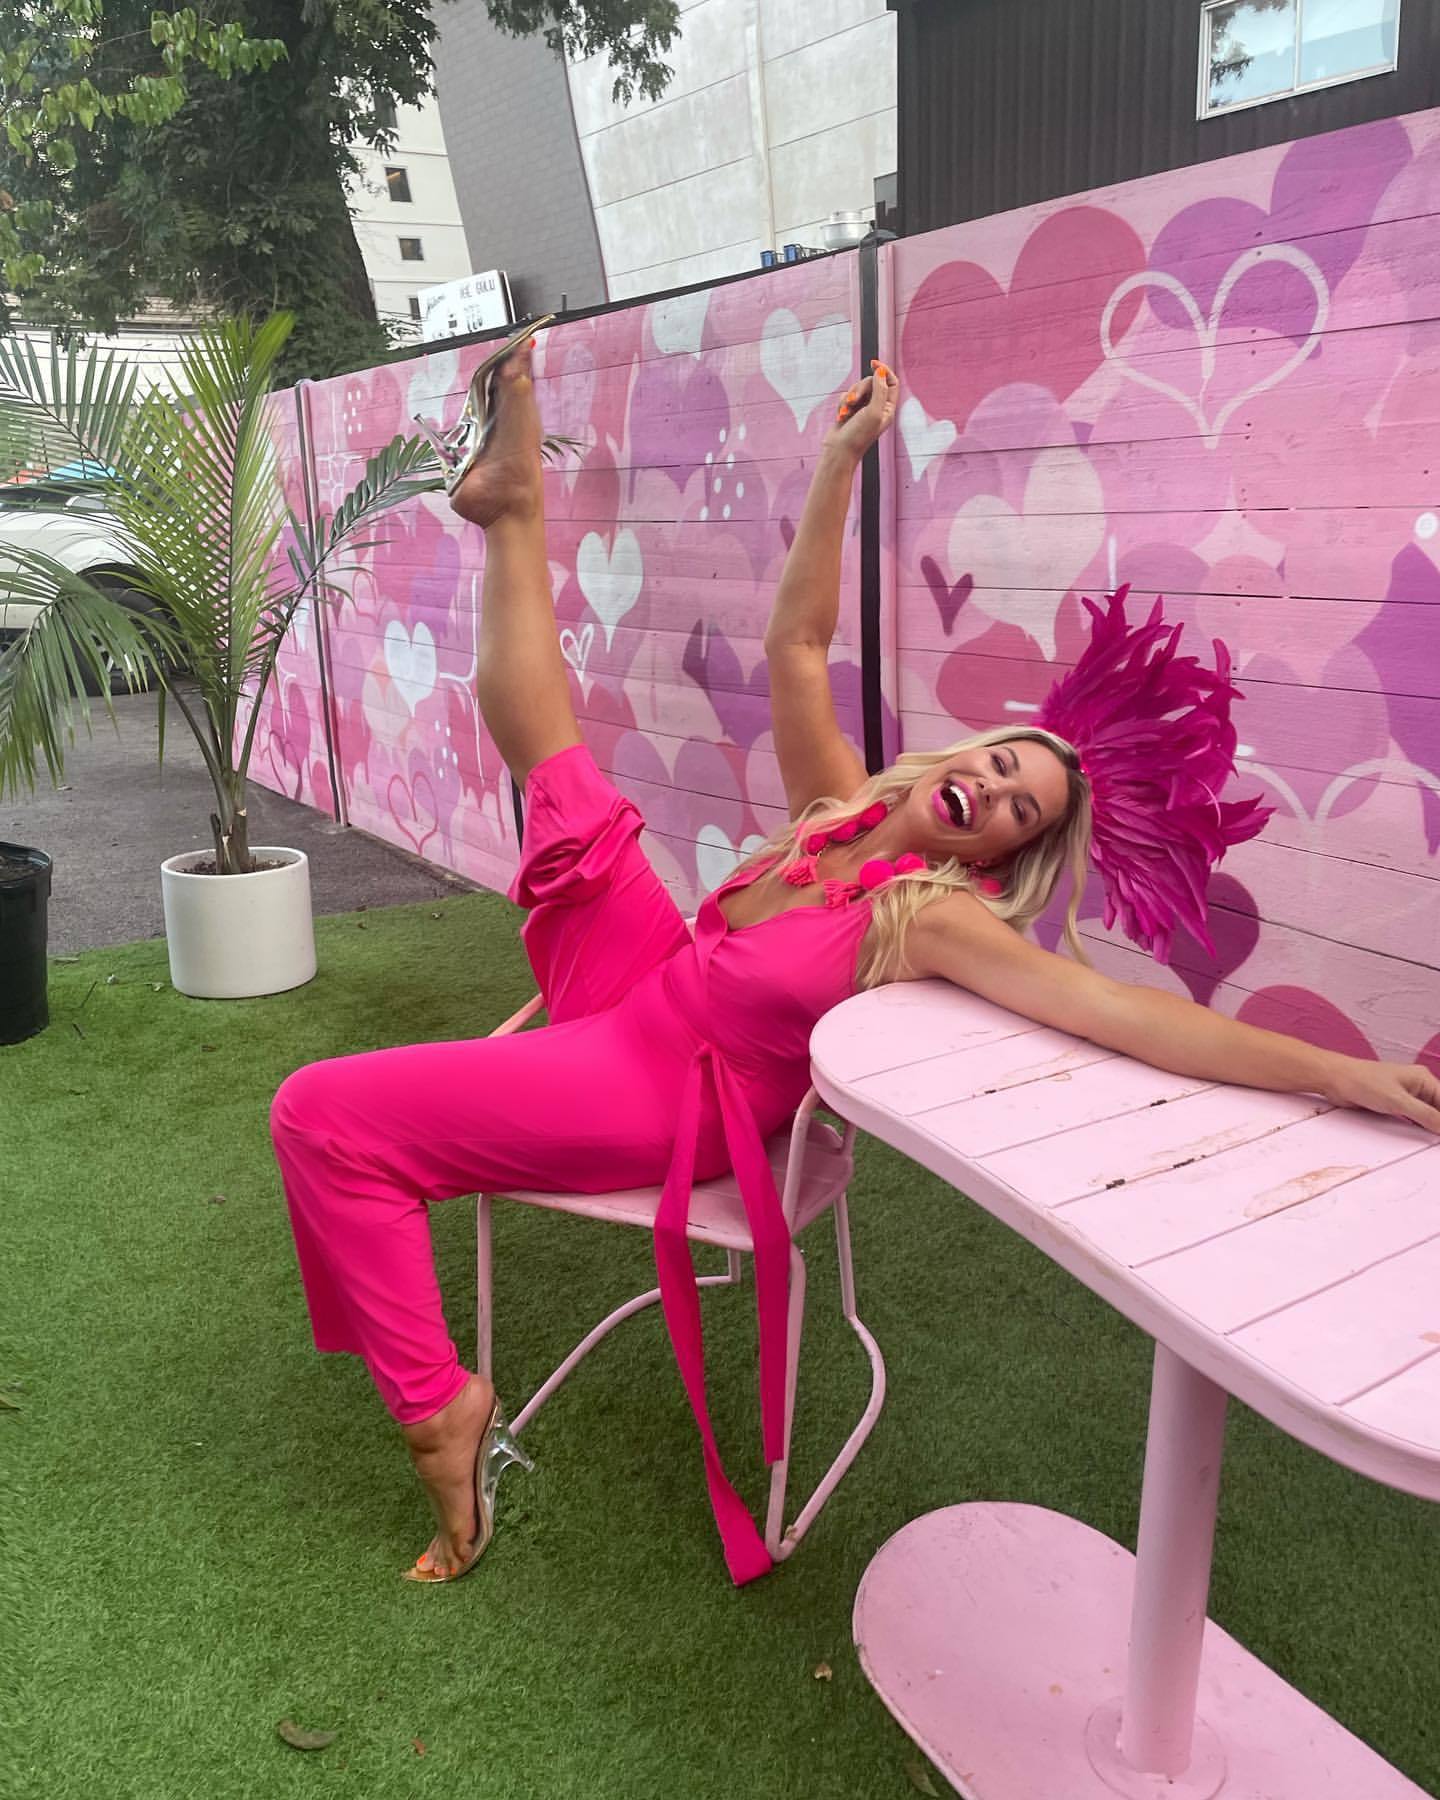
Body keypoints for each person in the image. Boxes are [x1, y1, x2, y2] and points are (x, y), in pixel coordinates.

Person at [270, 337, 1440, 1591]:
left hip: (669, 1090)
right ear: (965, 753)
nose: (995, 791)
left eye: (1021, 812)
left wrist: (1342, 1072)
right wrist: (840, 458)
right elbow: (797, 642)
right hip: (655, 983)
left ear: (1008, 855)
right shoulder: (841, 810)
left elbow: (1121, 1014)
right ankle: (516, 509)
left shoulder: (931, 918)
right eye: (1000, 764)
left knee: (322, 1116)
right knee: (559, 770)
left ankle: (440, 1406)